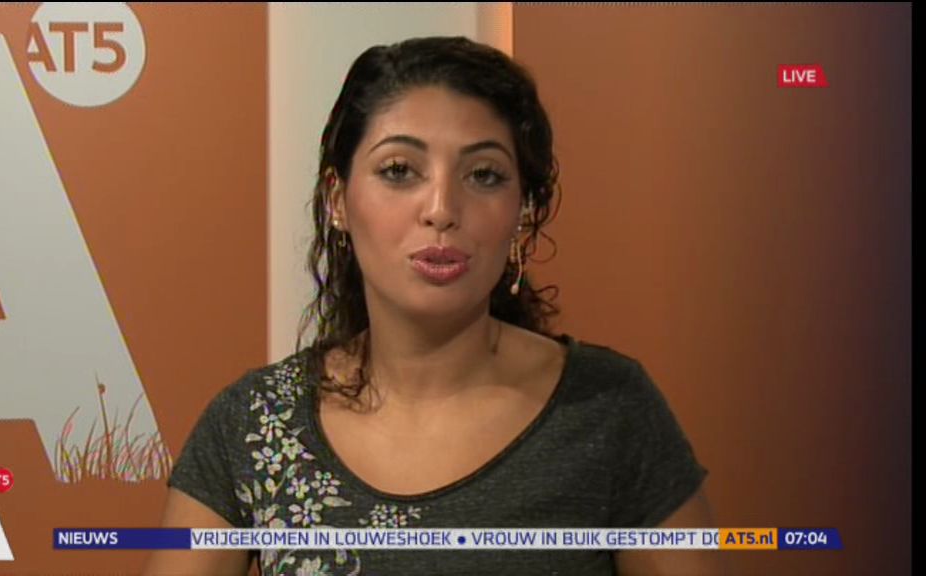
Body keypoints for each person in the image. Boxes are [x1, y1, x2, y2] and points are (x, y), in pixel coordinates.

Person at [145, 36, 724, 576]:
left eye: (484, 175)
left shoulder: (609, 409)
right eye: (399, 171)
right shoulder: (255, 423)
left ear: (522, 211)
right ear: (338, 200)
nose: (442, 208)